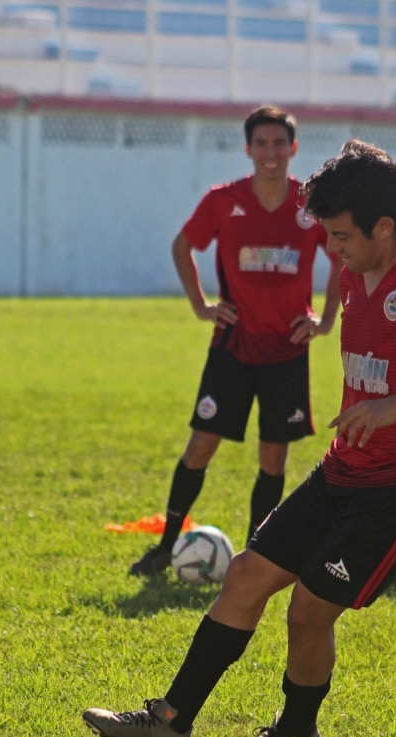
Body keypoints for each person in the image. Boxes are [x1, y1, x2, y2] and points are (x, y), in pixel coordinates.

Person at [83, 140, 396, 737]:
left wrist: (394, 405)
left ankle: (295, 732)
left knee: (309, 609)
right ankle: (169, 725)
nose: (330, 250)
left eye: (340, 237)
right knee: (247, 573)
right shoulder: (356, 265)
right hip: (347, 468)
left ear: (383, 227)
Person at [128, 105, 342, 577]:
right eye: (261, 144)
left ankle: (252, 557)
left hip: (287, 348)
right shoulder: (224, 200)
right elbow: (183, 246)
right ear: (248, 149)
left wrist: (327, 319)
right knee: (201, 445)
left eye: (279, 144)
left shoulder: (311, 205)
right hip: (233, 346)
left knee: (273, 457)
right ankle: (165, 547)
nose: (270, 152)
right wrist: (201, 304)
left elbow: (342, 254)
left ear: (294, 148)